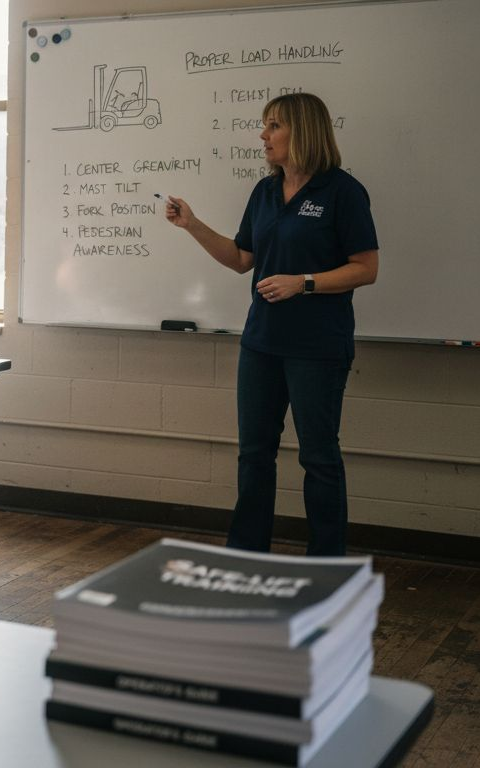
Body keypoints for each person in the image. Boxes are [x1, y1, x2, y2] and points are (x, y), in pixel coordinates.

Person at [163, 92, 378, 556]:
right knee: (254, 454)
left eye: (274, 126)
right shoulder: (264, 192)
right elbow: (243, 259)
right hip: (262, 342)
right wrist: (193, 226)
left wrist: (304, 283)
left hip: (318, 346)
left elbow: (365, 268)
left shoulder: (342, 191)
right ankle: (246, 554)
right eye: (265, 126)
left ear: (302, 131)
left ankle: (326, 564)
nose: (263, 135)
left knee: (318, 458)